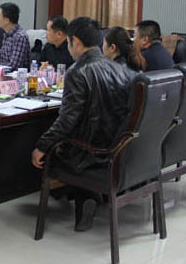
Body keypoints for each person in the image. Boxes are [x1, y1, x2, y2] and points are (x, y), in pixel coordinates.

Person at [31, 17, 136, 232]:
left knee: (42, 152)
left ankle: (85, 196)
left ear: (75, 42)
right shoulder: (120, 69)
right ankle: (87, 196)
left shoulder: (77, 72)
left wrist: (41, 145)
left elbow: (67, 120)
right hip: (117, 148)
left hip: (87, 153)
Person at [0, 2, 30, 69]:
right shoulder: (7, 34)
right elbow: (6, 55)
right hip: (3, 72)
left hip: (15, 75)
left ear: (6, 20)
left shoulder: (20, 37)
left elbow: (14, 66)